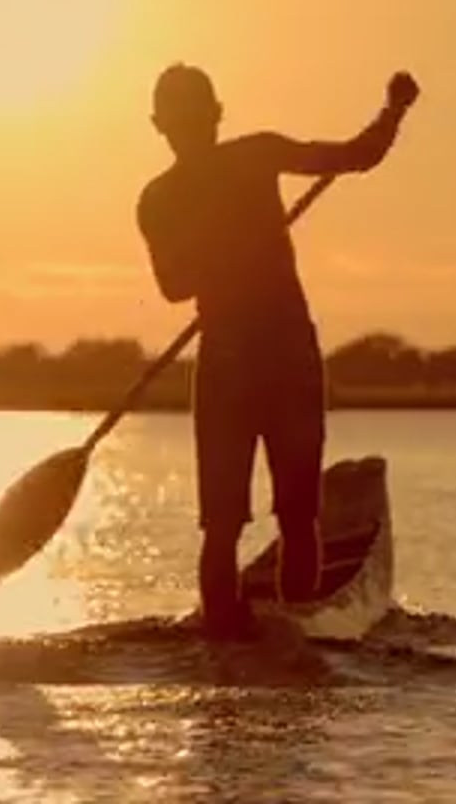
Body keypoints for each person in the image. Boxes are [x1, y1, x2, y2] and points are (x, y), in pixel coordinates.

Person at [137, 63, 419, 640]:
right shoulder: (181, 190)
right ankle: (285, 643)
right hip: (256, 357)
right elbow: (175, 285)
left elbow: (354, 157)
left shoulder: (219, 172)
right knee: (282, 521)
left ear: (166, 123)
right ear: (174, 123)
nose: (191, 127)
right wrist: (394, 110)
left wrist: (393, 112)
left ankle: (256, 641)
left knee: (266, 520)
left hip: (259, 357)